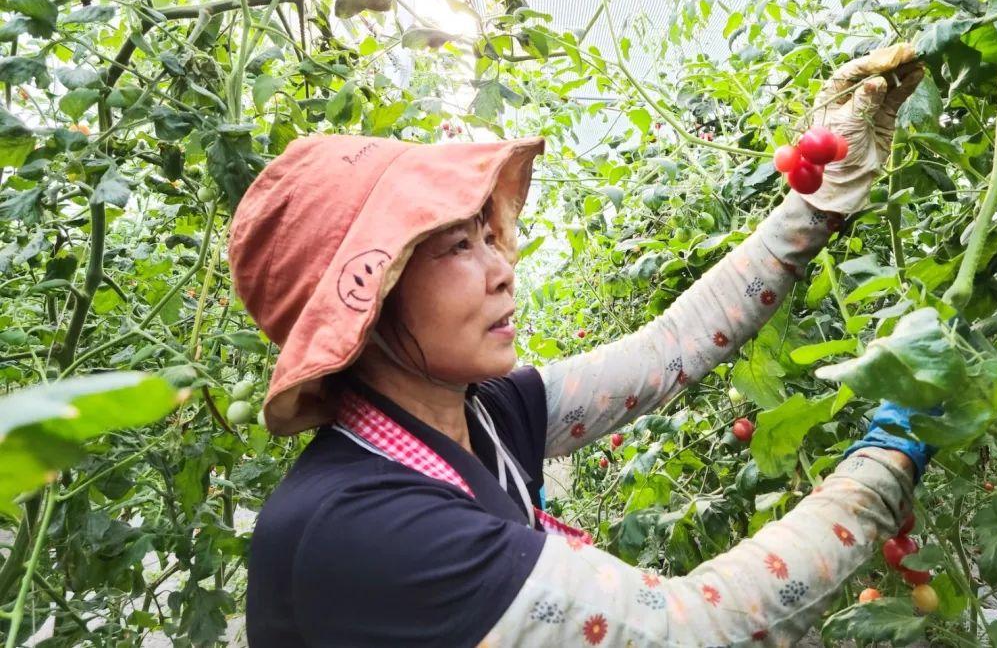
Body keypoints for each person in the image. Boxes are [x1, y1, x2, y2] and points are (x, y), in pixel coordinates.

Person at [230, 43, 930, 647]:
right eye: (455, 248)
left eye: (488, 236)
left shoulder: (478, 415)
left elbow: (671, 350)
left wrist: (818, 200)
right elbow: (694, 631)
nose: (503, 269)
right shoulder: (364, 531)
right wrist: (886, 462)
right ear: (370, 299)